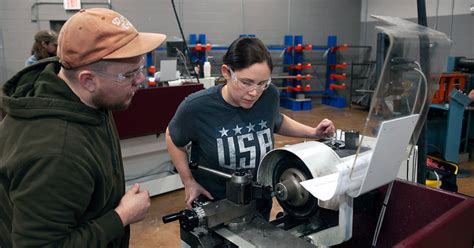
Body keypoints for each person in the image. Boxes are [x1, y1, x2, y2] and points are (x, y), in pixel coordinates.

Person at [0, 8, 166, 247]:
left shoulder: (87, 98)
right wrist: (121, 217)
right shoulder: (56, 153)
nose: (140, 80)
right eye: (129, 74)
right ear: (88, 80)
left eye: (139, 69)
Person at [166, 37, 335, 217]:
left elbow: (275, 120)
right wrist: (188, 181)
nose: (254, 93)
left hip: (260, 202)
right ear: (227, 72)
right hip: (216, 206)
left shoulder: (269, 95)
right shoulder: (198, 107)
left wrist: (313, 132)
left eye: (262, 83)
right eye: (246, 83)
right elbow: (173, 136)